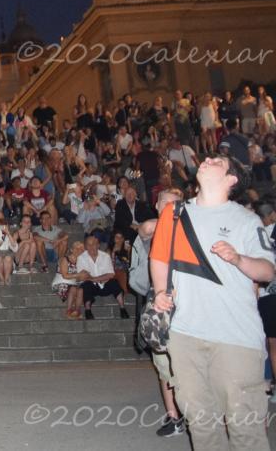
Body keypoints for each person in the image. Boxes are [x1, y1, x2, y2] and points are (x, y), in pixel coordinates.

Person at [151, 156, 275, 449]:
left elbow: (268, 271)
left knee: (246, 429)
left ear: (232, 179)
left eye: (217, 161)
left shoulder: (246, 221)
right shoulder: (174, 214)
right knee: (202, 427)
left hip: (236, 336)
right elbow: (159, 258)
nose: (207, 159)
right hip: (185, 334)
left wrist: (239, 259)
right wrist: (160, 292)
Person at [128, 187, 186, 438]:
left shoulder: (190, 228)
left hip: (189, 303)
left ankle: (194, 411)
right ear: (158, 206)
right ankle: (173, 416)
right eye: (166, 203)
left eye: (176, 203)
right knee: (163, 365)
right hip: (160, 305)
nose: (171, 207)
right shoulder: (154, 227)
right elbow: (144, 229)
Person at [76, 233, 128, 320]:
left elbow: (111, 274)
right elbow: (82, 276)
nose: (91, 247)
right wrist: (99, 278)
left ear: (98, 245)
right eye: (88, 244)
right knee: (86, 285)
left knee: (114, 283)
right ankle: (88, 310)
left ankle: (122, 308)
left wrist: (94, 278)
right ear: (85, 246)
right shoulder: (81, 258)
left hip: (105, 284)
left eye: (93, 244)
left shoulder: (105, 256)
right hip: (92, 286)